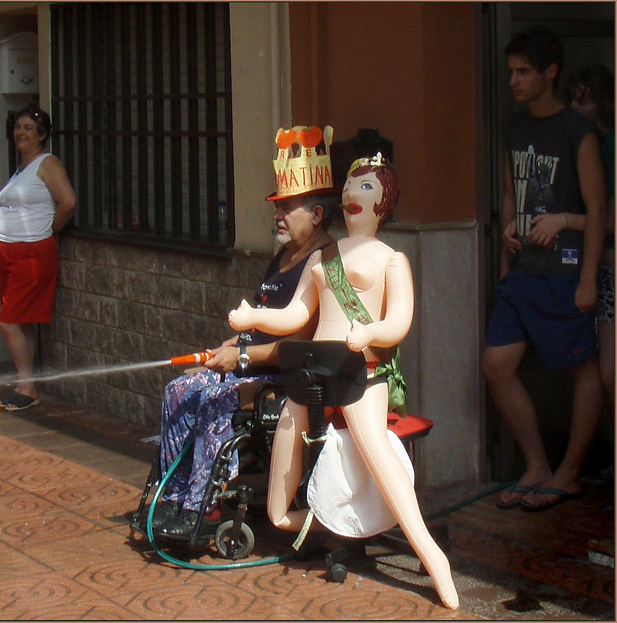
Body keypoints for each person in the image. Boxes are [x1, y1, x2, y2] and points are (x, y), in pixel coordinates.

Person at [228, 152, 459, 609]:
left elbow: (399, 322)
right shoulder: (324, 255)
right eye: (351, 185)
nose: (354, 193)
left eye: (367, 186)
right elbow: (297, 312)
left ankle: (432, 556)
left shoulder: (392, 259)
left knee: (377, 454)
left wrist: (371, 331)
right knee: (276, 504)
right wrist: (256, 315)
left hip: (361, 373)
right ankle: (328, 523)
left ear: (385, 202)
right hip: (312, 369)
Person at [153, 125, 339, 538]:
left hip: (285, 374)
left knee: (214, 397)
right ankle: (173, 497)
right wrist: (230, 346)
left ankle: (207, 505)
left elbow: (299, 343)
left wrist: (239, 359)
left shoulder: (323, 260)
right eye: (276, 206)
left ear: (316, 213)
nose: (277, 215)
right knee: (178, 391)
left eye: (286, 207)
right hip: (249, 362)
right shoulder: (284, 257)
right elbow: (261, 316)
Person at [482, 27, 607, 512]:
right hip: (523, 271)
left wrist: (588, 279)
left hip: (565, 270)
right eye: (511, 71)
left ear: (549, 73)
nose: (513, 80)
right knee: (497, 365)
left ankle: (569, 474)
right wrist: (507, 243)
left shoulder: (579, 131)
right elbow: (511, 192)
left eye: (523, 72)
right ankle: (536, 466)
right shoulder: (514, 127)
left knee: (582, 368)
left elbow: (596, 210)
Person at [0, 102, 76, 409]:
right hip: (10, 252)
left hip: (31, 252)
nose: (20, 133)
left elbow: (68, 201)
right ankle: (25, 381)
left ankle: (26, 386)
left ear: (42, 135)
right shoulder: (22, 168)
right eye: (18, 127)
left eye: (28, 128)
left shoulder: (47, 163)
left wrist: (50, 228)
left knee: (8, 322)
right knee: (21, 320)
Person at [564, 64, 615, 416]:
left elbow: (609, 220)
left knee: (610, 372)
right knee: (602, 372)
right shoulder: (585, 143)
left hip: (608, 266)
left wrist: (566, 220)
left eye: (585, 101)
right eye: (573, 101)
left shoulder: (606, 146)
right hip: (596, 267)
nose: (577, 110)